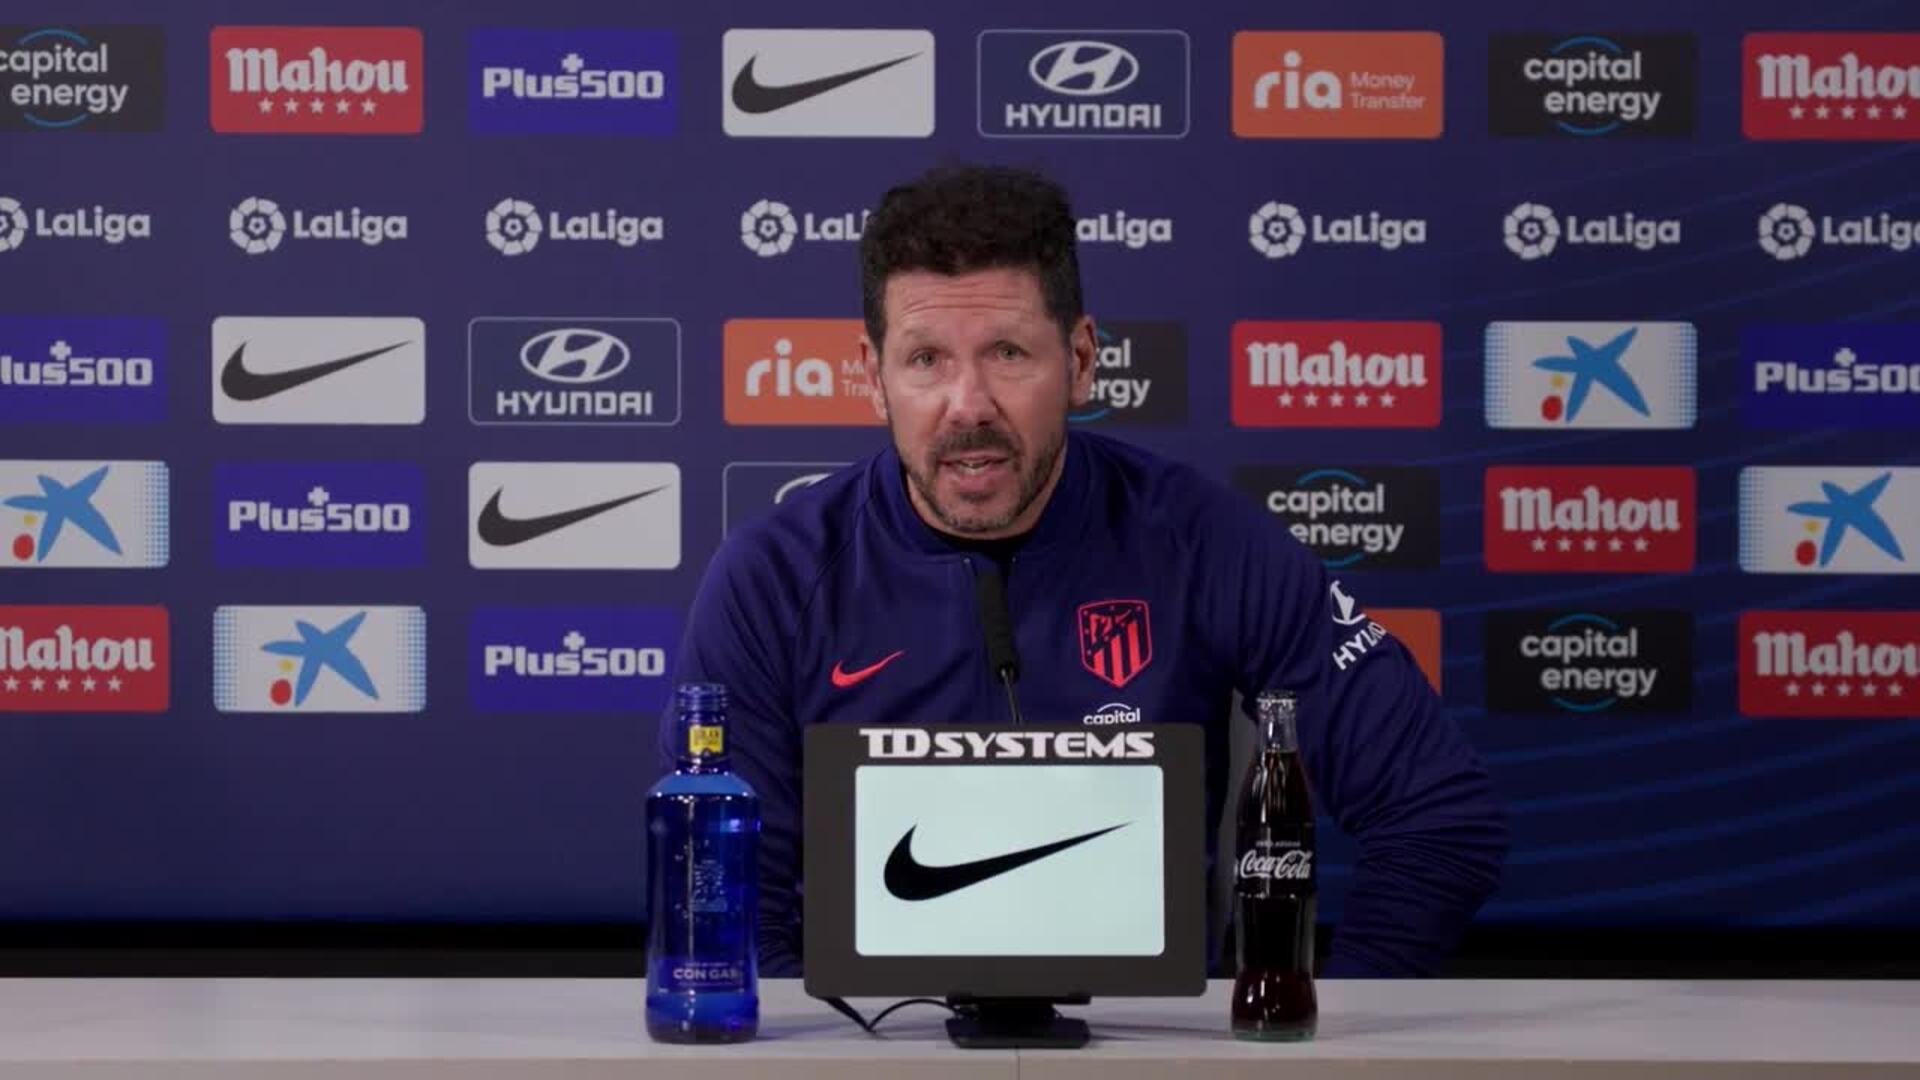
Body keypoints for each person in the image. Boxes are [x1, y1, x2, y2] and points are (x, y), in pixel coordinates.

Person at [659, 164, 1508, 978]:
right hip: (869, 1040)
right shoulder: (774, 577)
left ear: (1082, 359)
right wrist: (830, 1053)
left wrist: (1314, 1035)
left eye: (1008, 353)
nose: (969, 405)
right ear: (873, 379)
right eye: (925, 360)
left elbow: (1438, 816)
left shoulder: (1203, 541)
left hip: (1152, 1046)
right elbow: (721, 888)